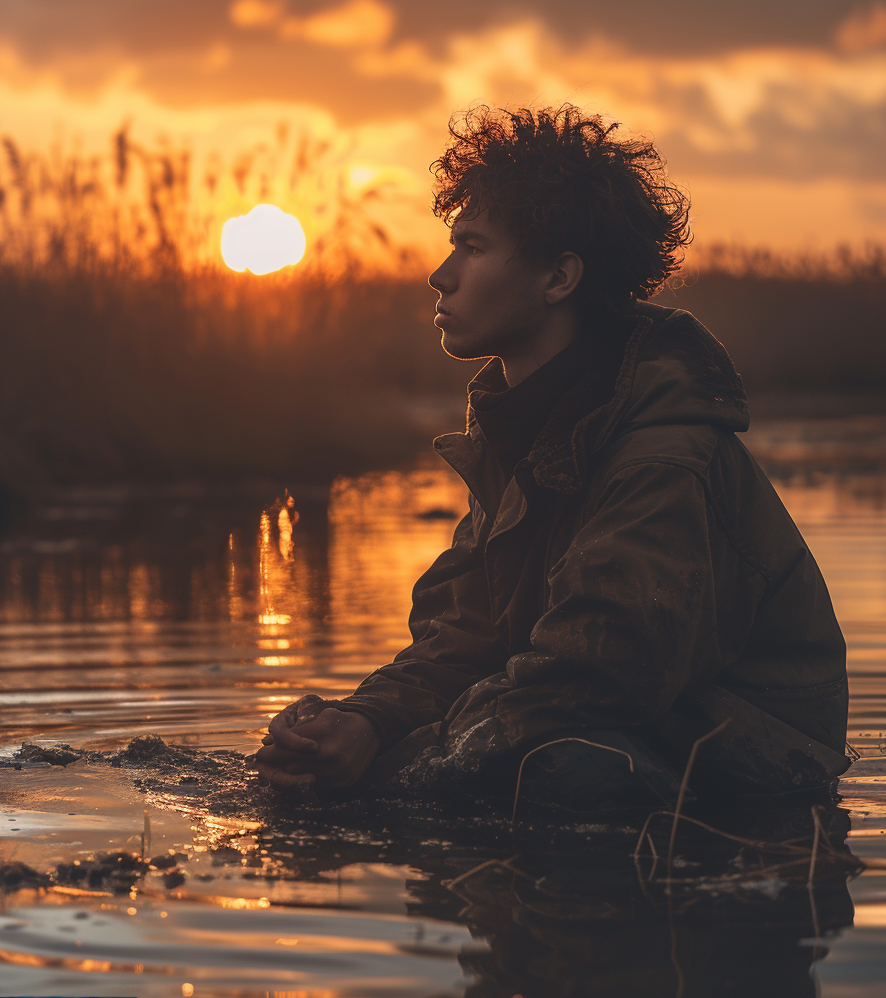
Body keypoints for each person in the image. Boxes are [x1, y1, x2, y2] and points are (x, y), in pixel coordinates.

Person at [253, 104, 850, 809]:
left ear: (559, 278)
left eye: (472, 248)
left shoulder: (660, 457)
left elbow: (603, 669)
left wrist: (393, 772)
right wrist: (362, 722)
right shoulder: (523, 437)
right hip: (648, 735)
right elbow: (466, 637)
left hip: (753, 767)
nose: (439, 276)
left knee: (565, 767)